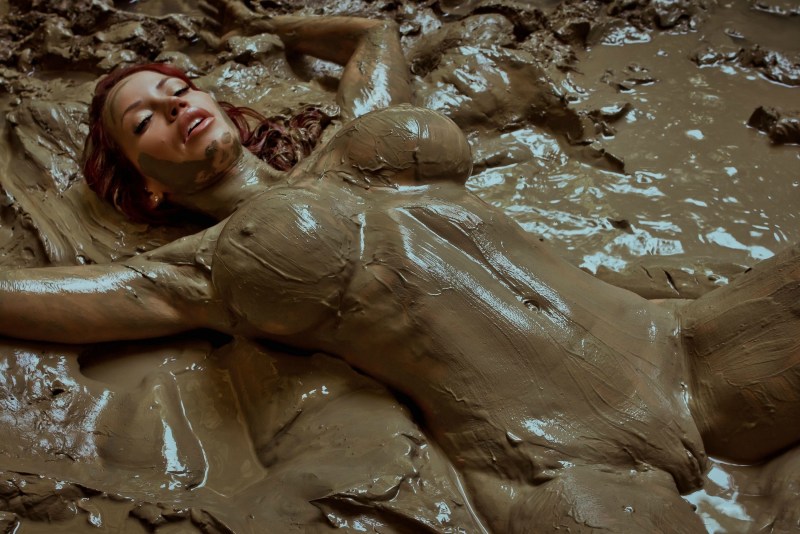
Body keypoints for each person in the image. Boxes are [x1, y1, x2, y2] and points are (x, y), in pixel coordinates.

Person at [0, 7, 798, 533]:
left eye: (178, 87)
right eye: (146, 117)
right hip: (556, 464)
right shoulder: (202, 268)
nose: (175, 104)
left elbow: (371, 38)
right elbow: (39, 299)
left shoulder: (358, 141)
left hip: (681, 345)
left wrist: (265, 25)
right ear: (144, 184)